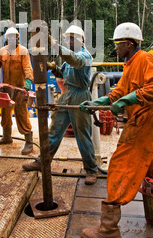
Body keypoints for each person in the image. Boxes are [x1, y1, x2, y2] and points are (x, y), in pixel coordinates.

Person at [79, 22, 153, 238]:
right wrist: (98, 102)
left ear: (129, 43)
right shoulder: (130, 64)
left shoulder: (145, 59)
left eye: (118, 44)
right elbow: (119, 91)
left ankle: (109, 229)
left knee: (120, 164)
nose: (115, 49)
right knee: (144, 159)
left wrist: (130, 99)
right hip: (138, 119)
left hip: (145, 118)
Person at [22, 24, 99, 185]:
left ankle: (91, 169)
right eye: (67, 39)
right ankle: (43, 161)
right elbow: (63, 72)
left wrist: (55, 45)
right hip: (67, 94)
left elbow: (74, 60)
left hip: (80, 96)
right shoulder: (70, 57)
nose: (68, 42)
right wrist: (53, 68)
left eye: (71, 39)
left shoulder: (85, 56)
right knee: (54, 130)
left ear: (80, 40)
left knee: (82, 134)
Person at [0, 27, 34, 155]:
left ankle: (29, 142)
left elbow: (27, 67)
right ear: (6, 39)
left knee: (21, 113)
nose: (12, 39)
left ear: (17, 38)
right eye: (9, 37)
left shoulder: (23, 51)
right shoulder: (2, 51)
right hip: (6, 88)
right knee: (5, 112)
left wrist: (28, 81)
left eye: (14, 37)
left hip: (19, 88)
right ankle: (7, 136)